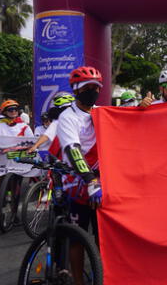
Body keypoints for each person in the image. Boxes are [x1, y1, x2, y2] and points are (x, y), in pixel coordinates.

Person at [57, 66, 104, 280]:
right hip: (77, 182)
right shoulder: (67, 117)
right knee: (78, 238)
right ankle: (78, 281)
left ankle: (103, 276)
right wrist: (89, 180)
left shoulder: (102, 112)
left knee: (102, 238)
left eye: (96, 87)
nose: (92, 91)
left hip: (102, 181)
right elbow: (72, 150)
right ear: (76, 90)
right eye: (87, 87)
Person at [0, 99, 34, 218]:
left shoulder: (24, 127)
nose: (13, 111)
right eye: (10, 109)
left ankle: (14, 214)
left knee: (14, 188)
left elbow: (31, 142)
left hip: (16, 160)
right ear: (4, 112)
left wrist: (25, 149)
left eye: (16, 109)